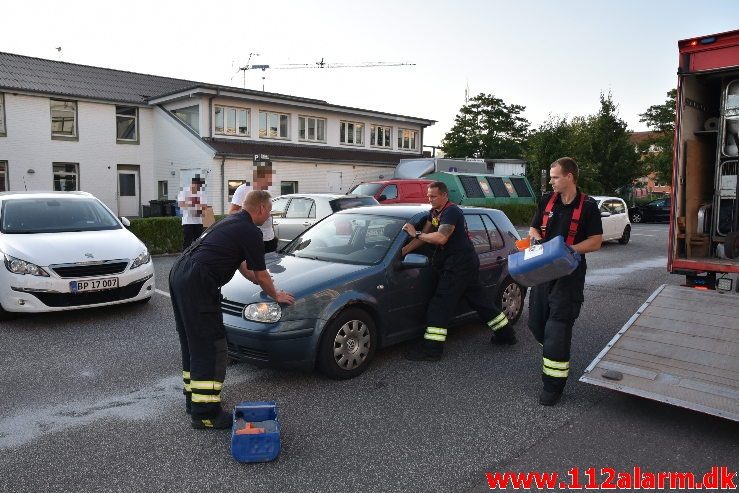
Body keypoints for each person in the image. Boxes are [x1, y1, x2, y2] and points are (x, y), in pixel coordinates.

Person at [169, 190, 295, 429]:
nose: (269, 217)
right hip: (198, 280)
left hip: (180, 274)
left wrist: (263, 285)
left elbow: (245, 270)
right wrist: (275, 294)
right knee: (211, 345)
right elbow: (260, 273)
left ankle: (194, 402)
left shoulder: (231, 222)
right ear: (260, 209)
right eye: (269, 212)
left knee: (192, 342)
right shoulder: (250, 231)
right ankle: (206, 414)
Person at [400, 181, 516, 361]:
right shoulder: (434, 213)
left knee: (439, 306)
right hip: (462, 263)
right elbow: (423, 238)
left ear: (444, 195)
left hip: (459, 264)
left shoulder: (451, 211)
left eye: (433, 196)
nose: (429, 199)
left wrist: (415, 233)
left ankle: (432, 350)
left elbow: (441, 238)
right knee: (480, 302)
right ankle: (507, 335)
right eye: (428, 196)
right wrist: (402, 252)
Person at [528, 157, 603, 406]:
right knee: (536, 323)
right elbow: (533, 229)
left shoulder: (589, 207)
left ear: (569, 176)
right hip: (543, 273)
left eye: (555, 177)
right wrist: (537, 240)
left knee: (557, 328)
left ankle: (553, 387)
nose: (551, 181)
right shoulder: (547, 201)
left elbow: (595, 241)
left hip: (569, 277)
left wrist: (569, 251)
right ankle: (551, 346)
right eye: (551, 177)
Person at [229, 163, 277, 253]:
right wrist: (252, 211)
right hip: (251, 237)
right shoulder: (243, 189)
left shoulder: (267, 189)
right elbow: (232, 212)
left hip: (269, 237)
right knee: (255, 266)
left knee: (271, 264)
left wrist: (273, 233)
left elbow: (268, 213)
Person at [177, 176, 207, 250]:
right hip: (187, 221)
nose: (198, 188)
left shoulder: (201, 193)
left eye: (199, 186)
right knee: (187, 241)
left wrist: (198, 207)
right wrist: (192, 204)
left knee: (199, 241)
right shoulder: (184, 192)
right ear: (192, 184)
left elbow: (204, 207)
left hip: (198, 221)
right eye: (197, 185)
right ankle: (184, 257)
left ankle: (197, 256)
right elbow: (181, 205)